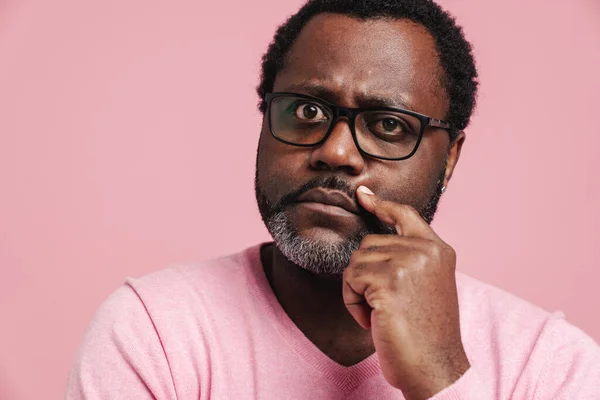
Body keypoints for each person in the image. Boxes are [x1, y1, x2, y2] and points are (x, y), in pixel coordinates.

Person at [66, 0, 600, 399]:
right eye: (306, 112)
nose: (336, 151)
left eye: (389, 125)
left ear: (450, 158)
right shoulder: (154, 332)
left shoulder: (551, 366)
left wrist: (441, 378)